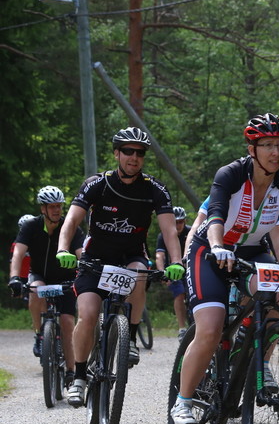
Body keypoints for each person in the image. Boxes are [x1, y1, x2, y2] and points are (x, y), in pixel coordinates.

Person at [171, 112, 279, 424]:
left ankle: (256, 361)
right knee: (210, 328)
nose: (276, 152)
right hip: (210, 249)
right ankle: (184, 402)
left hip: (252, 250)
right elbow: (216, 214)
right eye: (268, 145)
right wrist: (218, 247)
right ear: (252, 149)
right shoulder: (231, 174)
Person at [56, 127, 186, 408]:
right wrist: (63, 249)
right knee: (88, 315)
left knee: (139, 275)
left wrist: (176, 262)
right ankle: (78, 377)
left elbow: (169, 232)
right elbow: (71, 222)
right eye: (128, 151)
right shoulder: (97, 184)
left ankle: (130, 339)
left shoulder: (155, 189)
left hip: (131, 255)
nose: (134, 157)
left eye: (140, 153)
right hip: (96, 258)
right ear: (117, 153)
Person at [9, 187, 84, 384]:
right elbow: (18, 253)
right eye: (52, 207)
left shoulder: (70, 226)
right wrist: (15, 278)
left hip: (66, 279)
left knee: (68, 323)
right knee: (34, 290)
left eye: (59, 206)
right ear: (43, 209)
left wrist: (85, 273)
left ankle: (71, 372)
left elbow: (81, 253)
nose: (56, 210)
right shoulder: (31, 226)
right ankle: (40, 335)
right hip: (40, 275)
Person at [156, 206, 191, 339]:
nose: (178, 225)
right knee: (180, 294)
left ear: (185, 221)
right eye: (175, 222)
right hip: (173, 271)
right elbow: (160, 256)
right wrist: (161, 272)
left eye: (180, 221)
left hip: (189, 269)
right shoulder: (164, 235)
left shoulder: (191, 232)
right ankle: (182, 328)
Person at [11, 214, 36, 350]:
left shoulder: (41, 240)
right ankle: (39, 333)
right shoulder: (17, 245)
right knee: (32, 305)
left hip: (40, 275)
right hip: (24, 278)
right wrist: (16, 281)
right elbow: (13, 262)